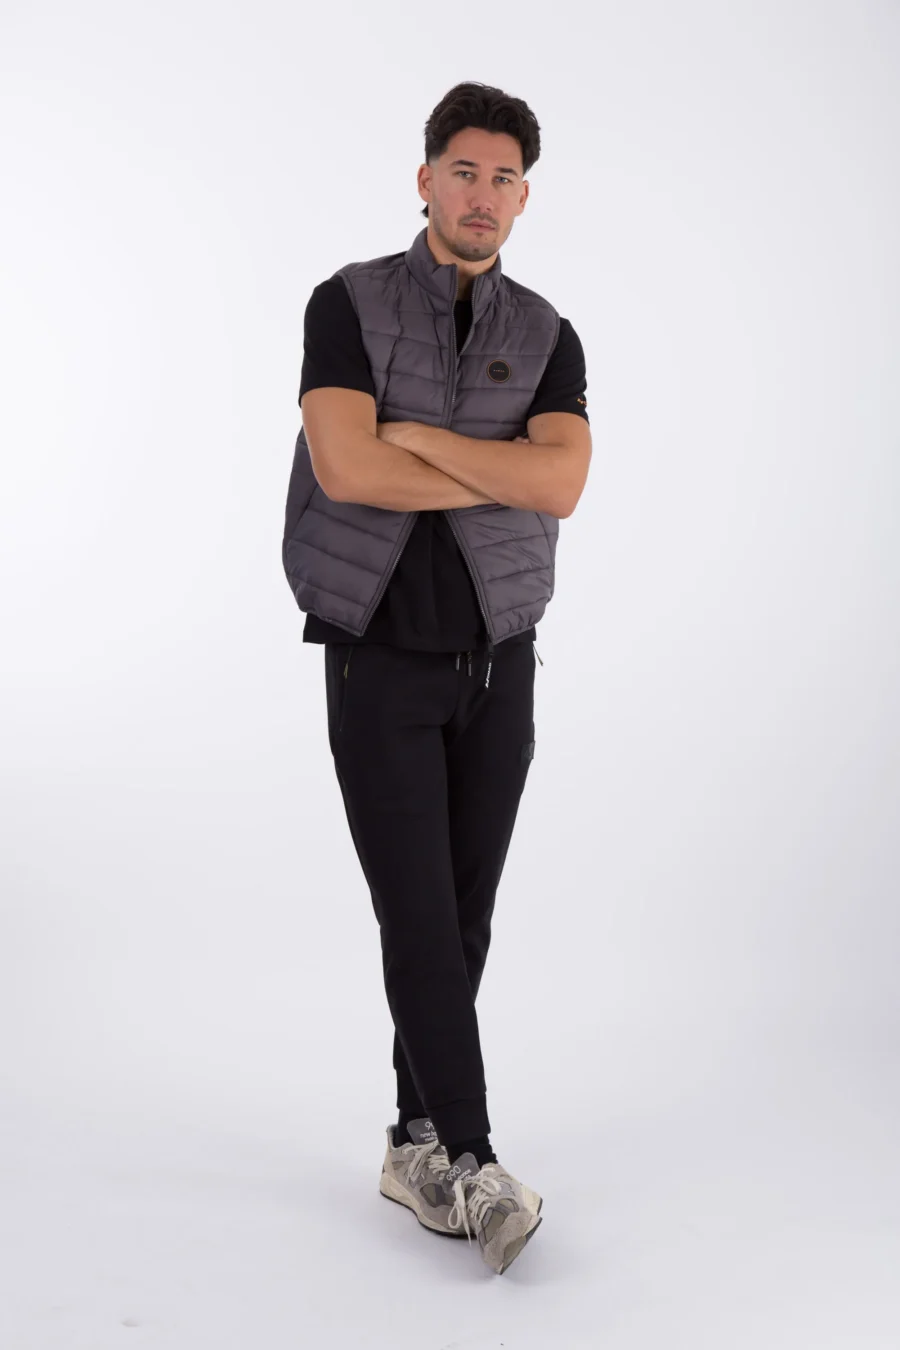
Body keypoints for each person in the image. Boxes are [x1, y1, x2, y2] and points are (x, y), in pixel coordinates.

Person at [282, 81, 591, 1275]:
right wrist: (495, 464)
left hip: (499, 663)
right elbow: (347, 468)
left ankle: (412, 1144)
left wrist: (418, 436)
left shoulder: (548, 332)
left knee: (462, 918)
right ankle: (474, 1154)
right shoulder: (348, 303)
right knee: (415, 915)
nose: (483, 195)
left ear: (523, 198)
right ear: (425, 181)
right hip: (378, 657)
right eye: (464, 171)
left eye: (505, 178)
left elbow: (561, 485)